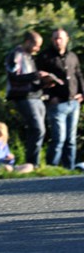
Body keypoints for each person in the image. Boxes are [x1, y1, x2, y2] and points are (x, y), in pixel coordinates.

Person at [37, 28, 84, 170]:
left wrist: (82, 93)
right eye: (55, 38)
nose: (58, 41)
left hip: (73, 103)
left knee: (70, 140)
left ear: (67, 39)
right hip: (56, 103)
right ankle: (52, 169)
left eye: (60, 38)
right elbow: (38, 79)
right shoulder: (45, 57)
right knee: (59, 139)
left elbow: (78, 75)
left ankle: (68, 170)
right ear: (52, 40)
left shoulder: (72, 56)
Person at [5, 30, 49, 167]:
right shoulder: (16, 55)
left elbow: (31, 78)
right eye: (36, 45)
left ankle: (31, 162)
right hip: (24, 97)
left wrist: (45, 81)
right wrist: (35, 75)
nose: (38, 49)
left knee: (35, 130)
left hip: (36, 96)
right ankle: (33, 163)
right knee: (38, 129)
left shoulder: (29, 56)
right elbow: (14, 76)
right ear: (27, 42)